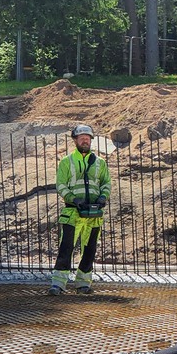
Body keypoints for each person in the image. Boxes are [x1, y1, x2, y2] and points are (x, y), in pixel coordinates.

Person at [48, 124, 111, 295]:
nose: (85, 140)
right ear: (75, 140)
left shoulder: (100, 163)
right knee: (66, 248)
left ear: (91, 140)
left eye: (87, 138)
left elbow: (106, 183)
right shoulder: (66, 162)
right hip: (73, 213)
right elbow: (61, 185)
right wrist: (73, 199)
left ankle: (83, 284)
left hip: (94, 214)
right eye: (81, 138)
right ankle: (58, 284)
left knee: (89, 250)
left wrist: (103, 197)